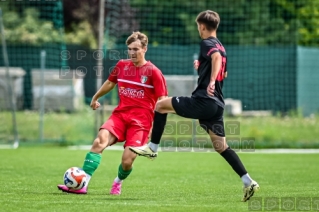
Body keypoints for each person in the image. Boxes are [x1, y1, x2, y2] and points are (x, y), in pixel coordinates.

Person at [129, 10, 259, 202]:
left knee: (161, 105)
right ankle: (248, 181)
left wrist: (211, 80)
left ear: (202, 26)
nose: (198, 29)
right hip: (216, 106)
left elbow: (214, 59)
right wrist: (203, 66)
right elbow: (222, 68)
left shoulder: (207, 43)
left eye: (198, 26)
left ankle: (152, 148)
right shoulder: (221, 46)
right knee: (221, 146)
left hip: (204, 101)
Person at [57, 31, 168, 195]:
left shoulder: (154, 72)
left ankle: (118, 182)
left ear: (145, 49)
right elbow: (110, 83)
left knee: (127, 161)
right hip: (120, 116)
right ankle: (82, 184)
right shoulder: (122, 65)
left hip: (141, 123)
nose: (132, 53)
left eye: (136, 49)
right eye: (129, 49)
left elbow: (162, 101)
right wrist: (95, 97)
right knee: (98, 142)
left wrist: (154, 129)